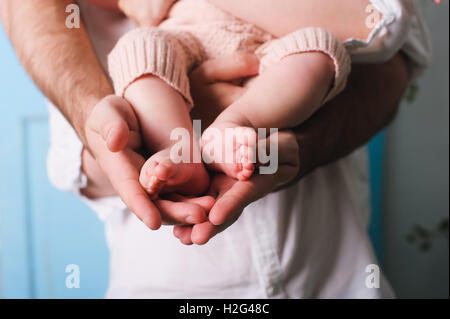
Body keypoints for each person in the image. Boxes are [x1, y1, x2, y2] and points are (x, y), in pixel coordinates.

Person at [0, 0, 431, 298]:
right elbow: (77, 165)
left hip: (329, 275)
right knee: (137, 51)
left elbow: (381, 25)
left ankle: (237, 124)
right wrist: (150, 133)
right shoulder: (70, 31)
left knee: (318, 50)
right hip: (171, 284)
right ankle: (181, 150)